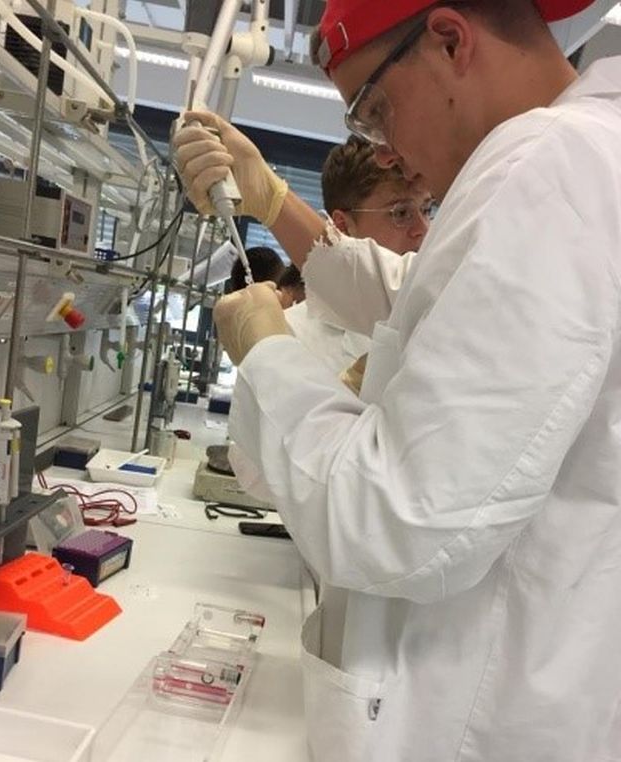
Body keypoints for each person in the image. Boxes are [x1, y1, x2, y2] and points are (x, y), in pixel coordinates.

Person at [174, 2, 621, 760]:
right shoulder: (575, 158)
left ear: (448, 40)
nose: (388, 151)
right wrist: (271, 198)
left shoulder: (549, 165)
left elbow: (400, 520)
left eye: (376, 109)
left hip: (470, 719)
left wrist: (269, 357)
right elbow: (413, 291)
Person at [284, 134, 433, 381]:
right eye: (401, 213)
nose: (424, 229)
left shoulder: (437, 312)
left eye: (427, 209)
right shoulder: (290, 335)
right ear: (343, 226)